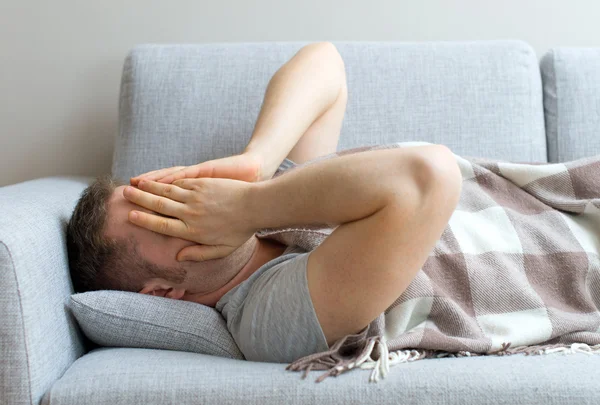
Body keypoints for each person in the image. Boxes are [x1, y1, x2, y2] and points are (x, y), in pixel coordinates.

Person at [67, 42, 462, 363]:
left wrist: (258, 162)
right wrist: (245, 208)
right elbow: (428, 175)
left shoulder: (274, 203)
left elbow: (325, 62)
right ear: (162, 293)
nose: (186, 194)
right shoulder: (266, 316)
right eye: (163, 214)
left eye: (164, 187)